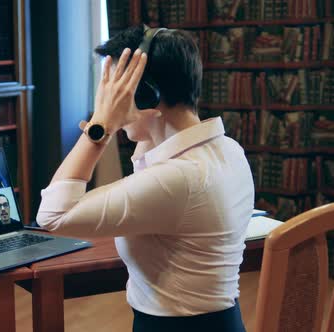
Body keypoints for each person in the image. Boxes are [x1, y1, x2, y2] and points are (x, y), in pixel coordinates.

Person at [36, 25, 253, 332]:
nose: (108, 100)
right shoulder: (227, 150)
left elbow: (53, 215)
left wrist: (100, 127)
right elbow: (150, 167)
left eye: (117, 90)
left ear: (146, 95)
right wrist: (141, 124)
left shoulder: (178, 178)